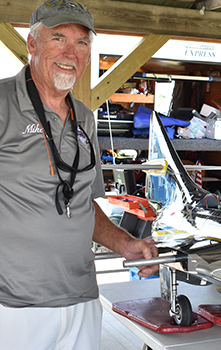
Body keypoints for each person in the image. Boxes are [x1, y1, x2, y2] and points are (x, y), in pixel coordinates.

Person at [0, 1, 158, 349]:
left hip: (82, 297)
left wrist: (126, 244)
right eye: (58, 38)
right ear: (32, 43)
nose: (70, 52)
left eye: (82, 42)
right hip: (13, 306)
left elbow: (83, 202)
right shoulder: (2, 103)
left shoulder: (84, 117)